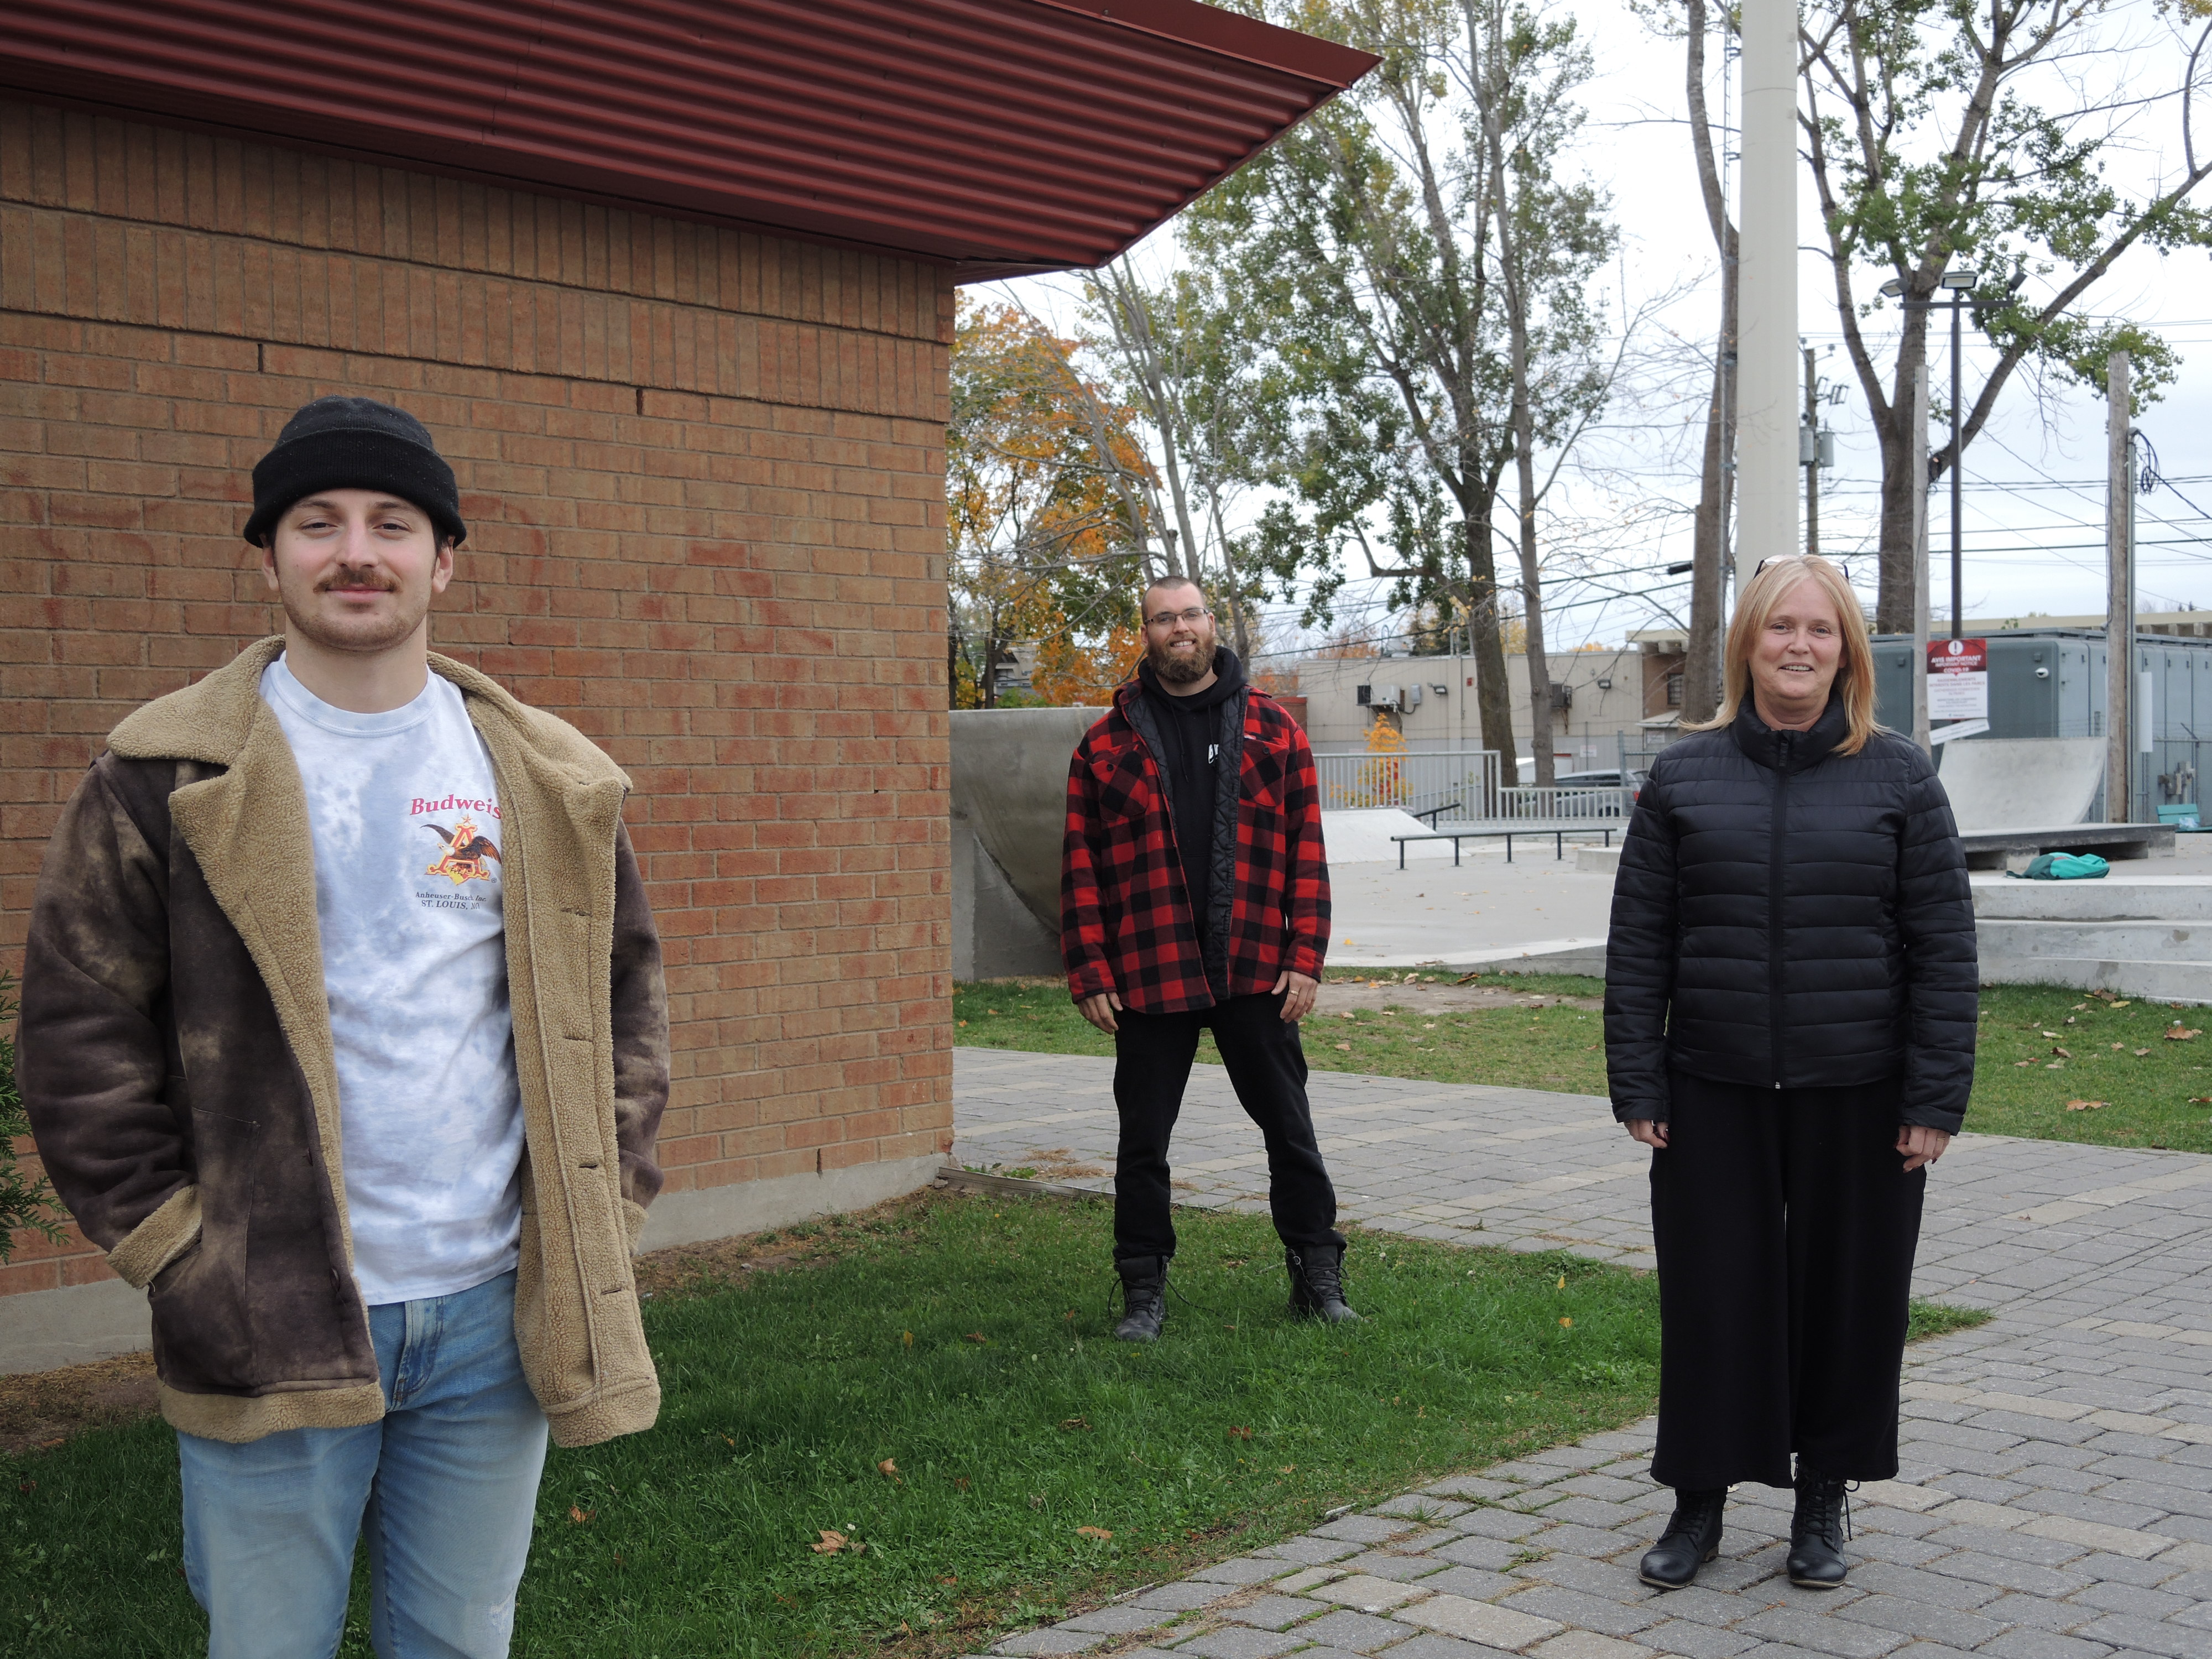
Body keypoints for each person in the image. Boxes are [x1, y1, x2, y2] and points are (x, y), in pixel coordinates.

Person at [17, 396, 671, 1658]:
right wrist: (177, 1253)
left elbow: (625, 995)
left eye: (391, 523)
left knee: (460, 1641)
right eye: (316, 523)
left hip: (496, 1310)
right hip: (267, 1309)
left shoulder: (539, 774)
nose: (355, 551)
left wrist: (608, 1198)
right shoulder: (161, 776)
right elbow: (76, 1041)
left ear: (445, 559)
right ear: (269, 557)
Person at [1604, 554, 1976, 1592]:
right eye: (1780, 629)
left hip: (1859, 1092)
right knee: (1716, 1297)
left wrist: (1933, 1098)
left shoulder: (1900, 775)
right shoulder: (1684, 776)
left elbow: (1944, 947)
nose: (1799, 647)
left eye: (1820, 630)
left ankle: (1824, 1500)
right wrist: (1639, 1079)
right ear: (1748, 646)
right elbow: (1641, 941)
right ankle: (1699, 1500)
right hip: (1711, 1088)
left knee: (1851, 1301)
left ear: (1845, 648)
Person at [1061, 578, 1353, 1340]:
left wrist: (1307, 956)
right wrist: (1090, 968)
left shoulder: (1274, 730)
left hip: (1256, 968)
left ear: (1211, 624)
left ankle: (1318, 1277)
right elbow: (1080, 867)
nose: (1179, 628)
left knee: (1290, 1129)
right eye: (1163, 618)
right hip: (1149, 972)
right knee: (1143, 1144)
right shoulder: (1103, 743)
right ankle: (1142, 1293)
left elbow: (1307, 854)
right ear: (1146, 633)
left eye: (1190, 614)